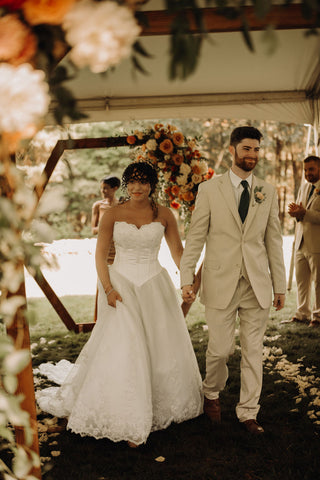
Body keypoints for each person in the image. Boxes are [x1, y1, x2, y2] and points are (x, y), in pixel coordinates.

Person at [36, 161, 202, 447]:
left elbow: (178, 252)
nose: (138, 187)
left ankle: (158, 403)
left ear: (152, 184)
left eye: (144, 181)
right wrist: (109, 289)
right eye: (133, 182)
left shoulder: (165, 214)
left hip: (154, 286)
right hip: (121, 286)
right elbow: (100, 256)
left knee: (159, 344)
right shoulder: (112, 214)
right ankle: (128, 414)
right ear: (126, 184)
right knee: (126, 346)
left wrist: (187, 282)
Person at [180, 126, 286, 435]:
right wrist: (188, 278)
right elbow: (195, 237)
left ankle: (248, 413)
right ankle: (211, 392)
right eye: (246, 149)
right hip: (219, 282)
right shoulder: (209, 190)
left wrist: (279, 286)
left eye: (256, 150)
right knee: (220, 349)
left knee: (253, 350)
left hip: (257, 284)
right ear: (232, 150)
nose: (252, 155)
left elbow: (274, 241)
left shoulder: (268, 191)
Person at [288, 155, 320, 327]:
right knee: (301, 281)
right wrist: (296, 214)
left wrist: (304, 213)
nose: (308, 173)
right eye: (306, 170)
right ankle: (302, 313)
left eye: (311, 169)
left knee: (319, 282)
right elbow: (301, 212)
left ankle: (318, 317)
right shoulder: (304, 187)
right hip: (301, 242)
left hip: (317, 244)